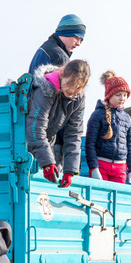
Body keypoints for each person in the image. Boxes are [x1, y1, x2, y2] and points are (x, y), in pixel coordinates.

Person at [26, 59, 90, 188]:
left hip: (47, 143)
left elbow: (74, 134)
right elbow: (36, 127)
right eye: (70, 83)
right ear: (61, 74)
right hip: (24, 144)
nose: (72, 90)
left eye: (78, 87)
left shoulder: (78, 99)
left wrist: (70, 170)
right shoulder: (45, 90)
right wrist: (47, 162)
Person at [85, 71, 131, 185]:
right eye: (118, 95)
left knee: (116, 201)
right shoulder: (97, 115)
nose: (122, 98)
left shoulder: (127, 118)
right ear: (109, 95)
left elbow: (129, 147)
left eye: (124, 94)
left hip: (120, 169)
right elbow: (90, 144)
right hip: (101, 166)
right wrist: (94, 168)